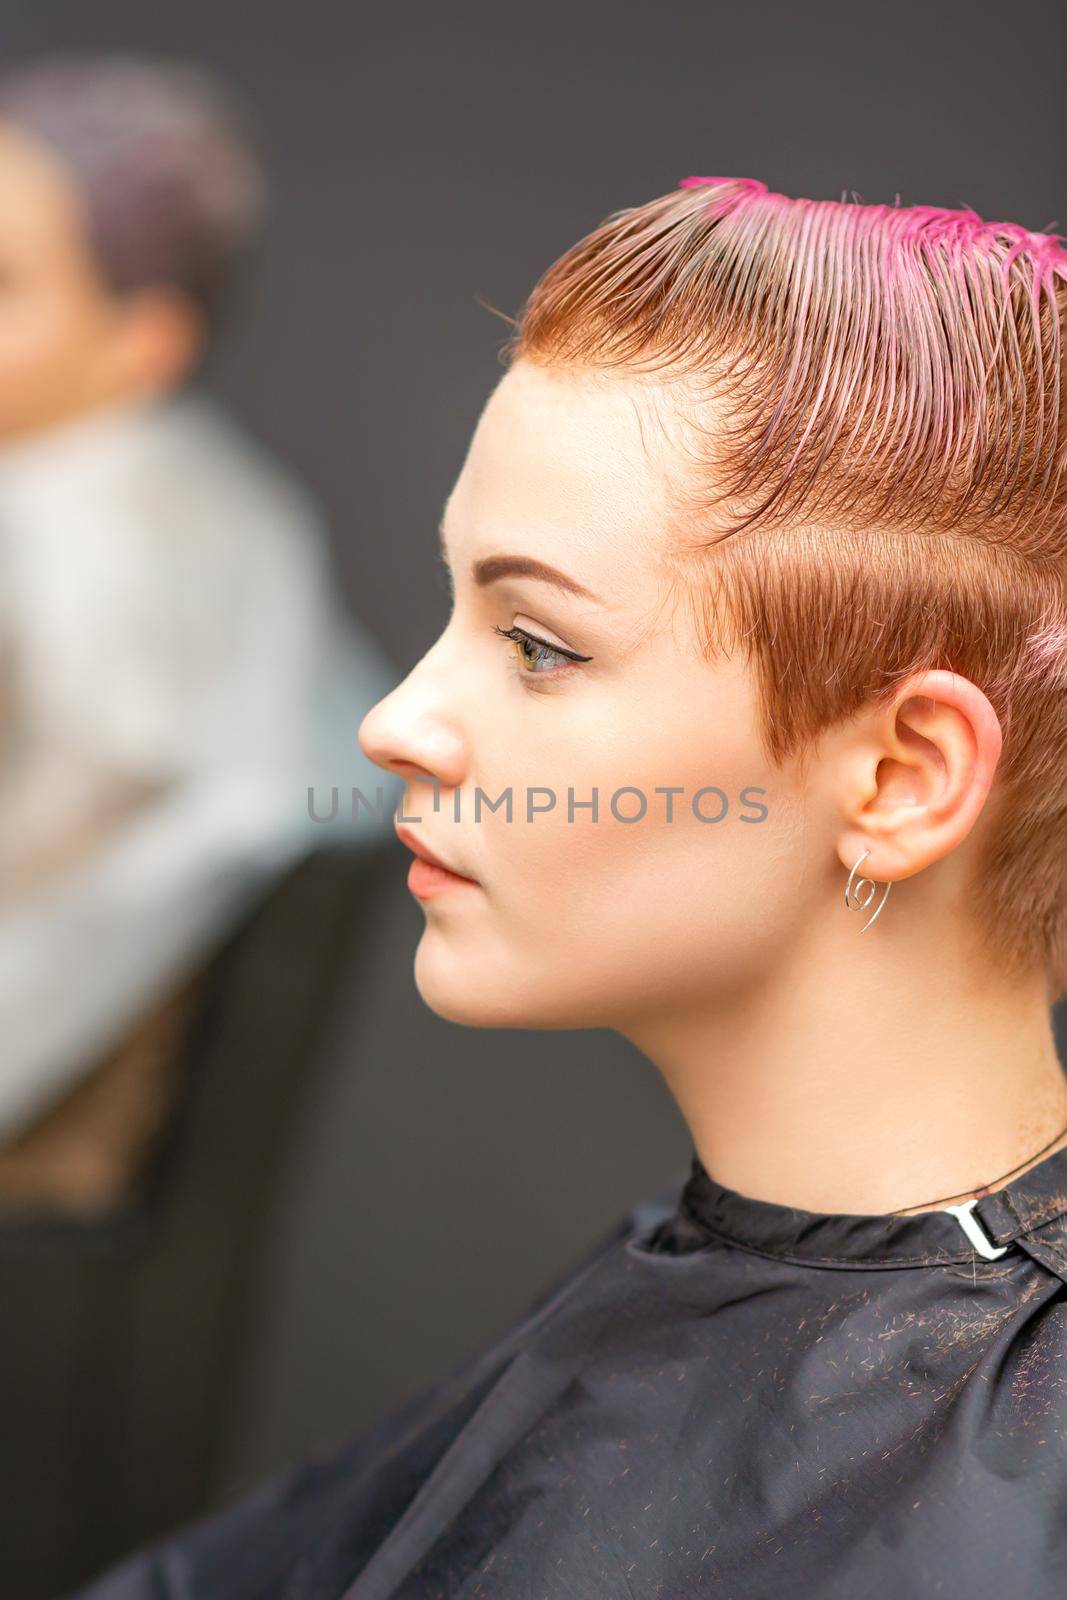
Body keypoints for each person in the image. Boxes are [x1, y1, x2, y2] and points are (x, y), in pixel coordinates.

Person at [72, 177, 1067, 1596]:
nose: (398, 721)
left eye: (537, 643)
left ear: (900, 776)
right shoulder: (683, 1287)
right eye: (453, 611)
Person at [0, 56, 397, 1214]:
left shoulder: (106, 529)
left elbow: (97, 799)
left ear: (144, 340)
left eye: (5, 283)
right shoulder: (169, 496)